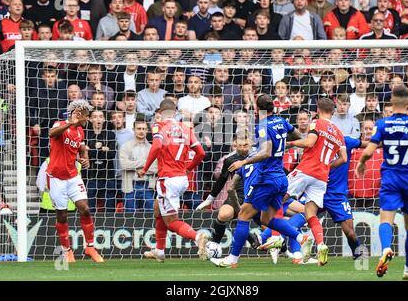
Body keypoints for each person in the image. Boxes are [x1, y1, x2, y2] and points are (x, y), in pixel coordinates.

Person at [210, 94, 312, 268]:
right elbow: (296, 135)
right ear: (273, 107)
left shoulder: (262, 126)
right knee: (266, 219)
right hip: (281, 178)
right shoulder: (281, 121)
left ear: (257, 109)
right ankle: (299, 237)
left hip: (267, 179)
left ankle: (232, 259)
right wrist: (285, 145)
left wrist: (243, 161)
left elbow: (265, 152)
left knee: (243, 215)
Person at [356, 86, 408, 279]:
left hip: (390, 178)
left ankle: (386, 249)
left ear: (391, 101)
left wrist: (361, 163)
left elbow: (368, 151)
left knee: (386, 219)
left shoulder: (382, 124)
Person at [138, 99, 208, 262]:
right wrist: (189, 168)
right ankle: (159, 250)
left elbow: (155, 147)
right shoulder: (186, 128)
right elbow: (201, 153)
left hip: (167, 179)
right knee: (158, 209)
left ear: (160, 112)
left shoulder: (159, 126)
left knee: (171, 221)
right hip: (182, 179)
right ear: (175, 112)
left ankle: (197, 237)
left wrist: (144, 169)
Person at [283, 98, 347, 266]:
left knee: (277, 196)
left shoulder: (316, 123)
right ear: (333, 112)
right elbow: (344, 158)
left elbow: (310, 142)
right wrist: (326, 165)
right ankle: (321, 244)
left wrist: (289, 144)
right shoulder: (339, 133)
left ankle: (275, 237)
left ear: (317, 109)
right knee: (310, 213)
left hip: (305, 170)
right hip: (321, 178)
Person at [47, 100, 104, 262]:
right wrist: (69, 123)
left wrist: (84, 158)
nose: (88, 120)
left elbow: (81, 148)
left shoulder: (80, 131)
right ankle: (67, 251)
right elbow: (52, 134)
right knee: (62, 215)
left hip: (73, 176)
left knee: (85, 209)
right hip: (56, 178)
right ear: (77, 115)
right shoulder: (61, 124)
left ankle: (90, 248)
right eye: (86, 117)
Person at [120, 120, 157, 211]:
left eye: (143, 129)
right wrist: (145, 162)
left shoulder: (152, 148)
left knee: (149, 217)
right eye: (139, 128)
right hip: (130, 186)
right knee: (130, 217)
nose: (141, 131)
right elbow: (124, 164)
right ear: (133, 130)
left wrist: (137, 167)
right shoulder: (125, 146)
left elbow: (156, 168)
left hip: (148, 186)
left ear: (147, 130)